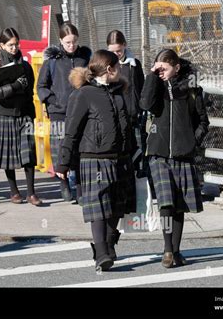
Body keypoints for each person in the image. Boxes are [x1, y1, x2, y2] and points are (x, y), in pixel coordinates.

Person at [55, 50, 136, 271]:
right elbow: (71, 131)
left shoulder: (120, 92)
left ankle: (109, 243)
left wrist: (134, 152)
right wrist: (63, 163)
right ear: (109, 70)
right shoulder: (84, 94)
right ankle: (101, 253)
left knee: (117, 207)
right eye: (118, 67)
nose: (121, 70)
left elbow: (127, 126)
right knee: (98, 207)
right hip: (93, 158)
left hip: (120, 157)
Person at [139, 49, 209, 268]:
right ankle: (167, 250)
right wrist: (152, 76)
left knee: (179, 205)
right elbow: (145, 104)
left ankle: (176, 251)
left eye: (164, 68)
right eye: (157, 68)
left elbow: (203, 121)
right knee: (166, 204)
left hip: (183, 154)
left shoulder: (192, 89)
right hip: (159, 154)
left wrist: (192, 141)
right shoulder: (155, 86)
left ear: (177, 68)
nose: (161, 72)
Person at [0, 28, 42, 206]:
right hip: (4, 115)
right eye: (10, 45)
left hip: (24, 114)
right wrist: (15, 86)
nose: (14, 48)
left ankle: (31, 193)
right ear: (2, 45)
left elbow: (31, 86)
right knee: (8, 155)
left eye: (16, 44)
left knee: (29, 155)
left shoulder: (25, 64)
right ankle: (14, 191)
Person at [37, 23, 91, 203]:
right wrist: (53, 102)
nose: (71, 45)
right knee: (60, 150)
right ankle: (64, 183)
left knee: (79, 149)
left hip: (81, 111)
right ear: (60, 40)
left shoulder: (85, 58)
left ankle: (81, 188)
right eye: (67, 42)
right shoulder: (52, 61)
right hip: (59, 113)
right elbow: (41, 86)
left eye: (74, 41)